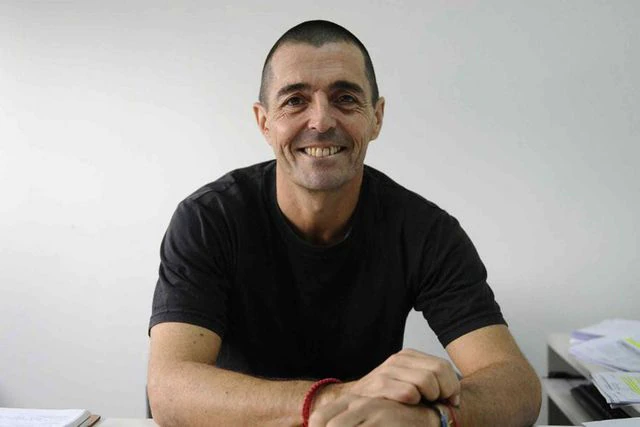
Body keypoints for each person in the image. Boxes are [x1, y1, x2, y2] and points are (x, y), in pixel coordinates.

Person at [147, 20, 541, 427]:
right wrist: (341, 399)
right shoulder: (208, 220)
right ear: (264, 122)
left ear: (377, 118)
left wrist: (430, 419)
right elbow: (169, 391)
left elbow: (516, 385)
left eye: (346, 99)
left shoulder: (425, 231)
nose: (321, 121)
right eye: (295, 100)